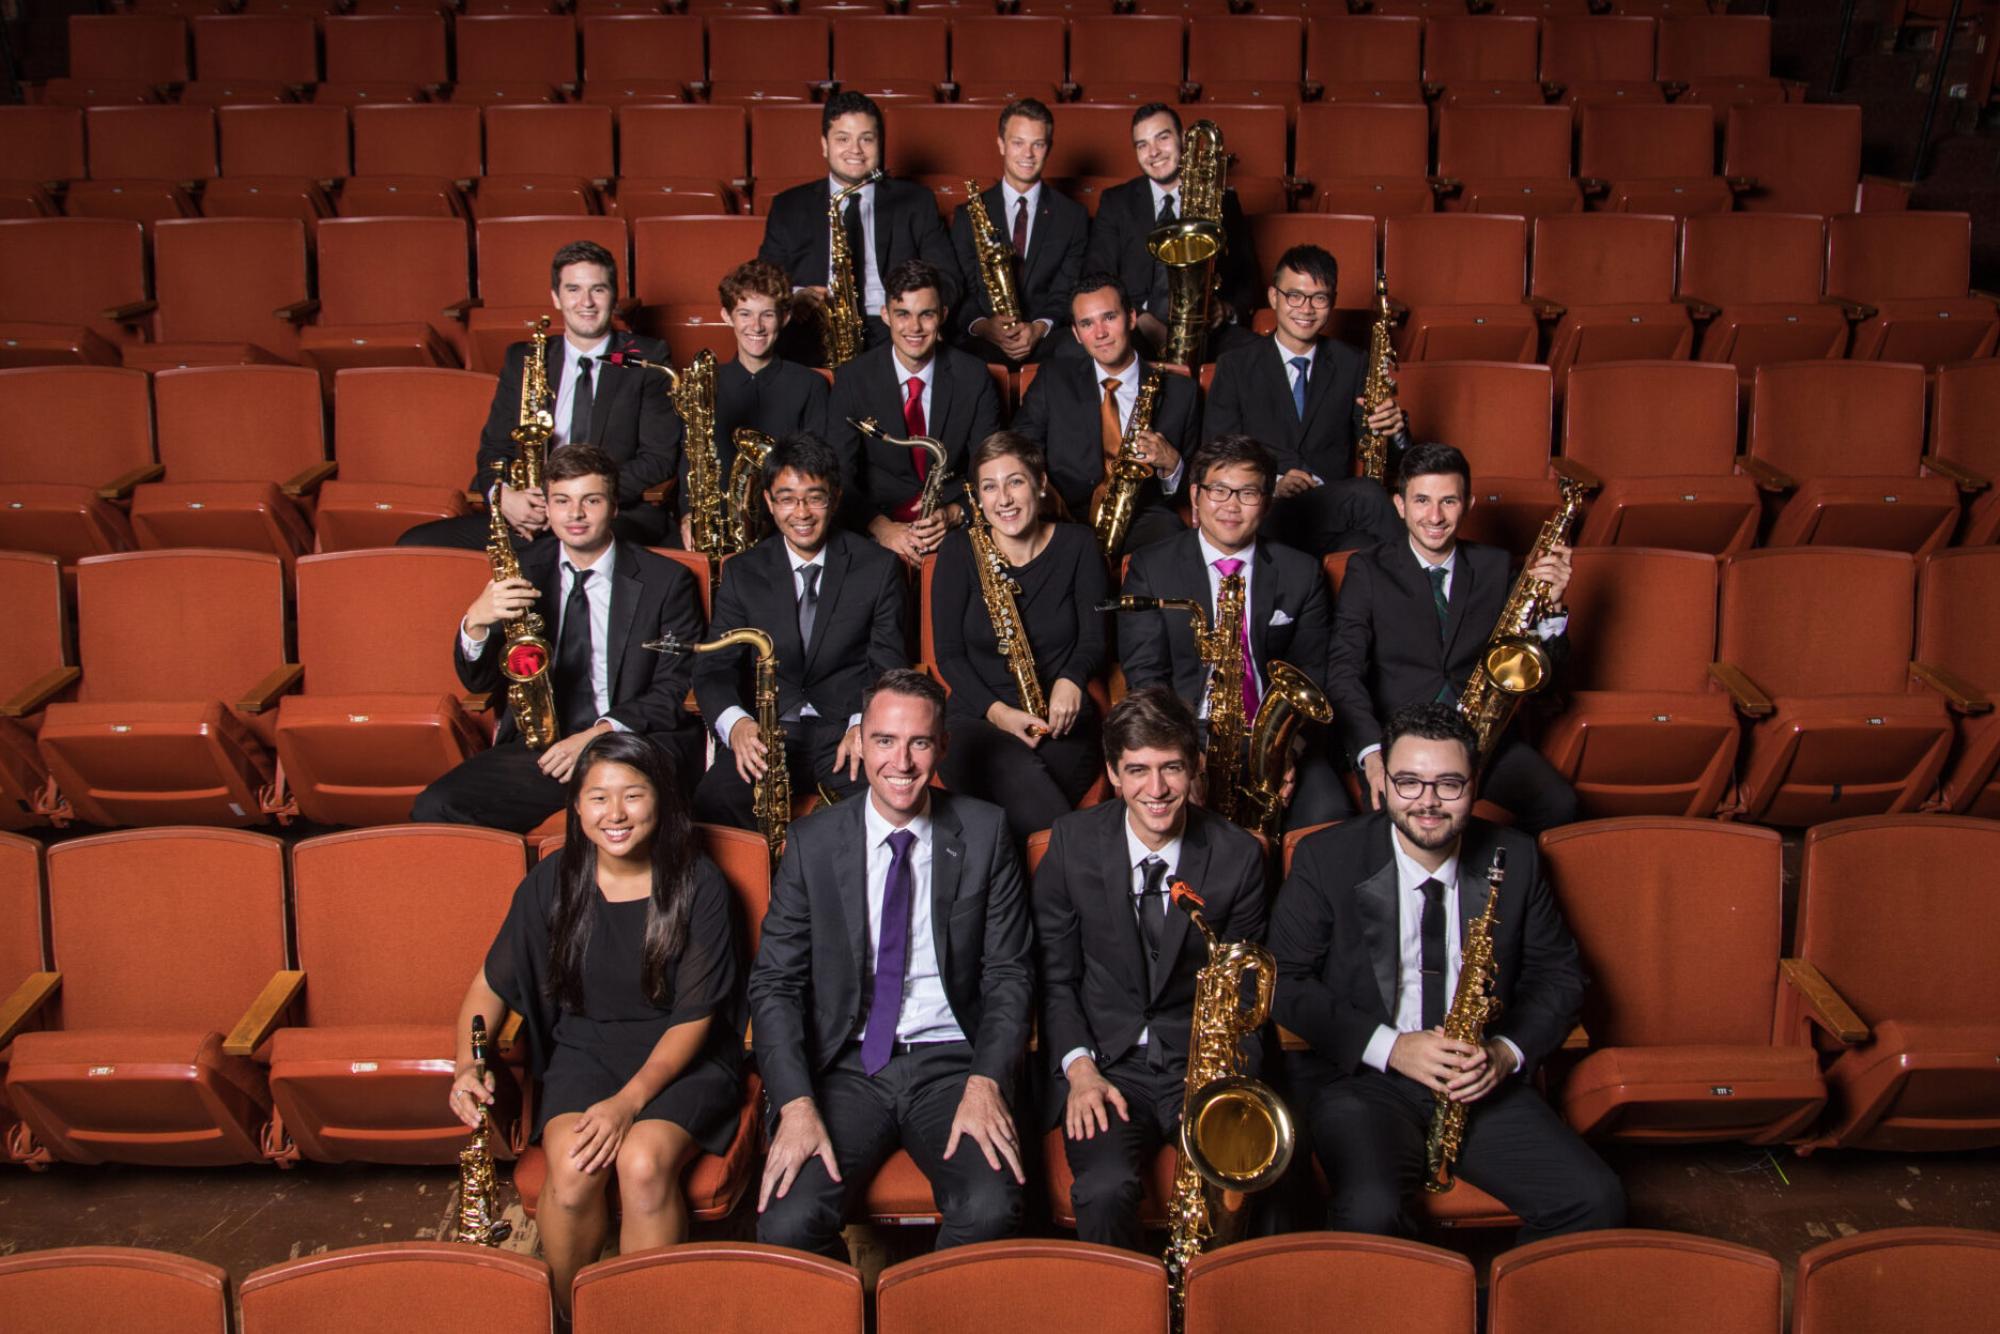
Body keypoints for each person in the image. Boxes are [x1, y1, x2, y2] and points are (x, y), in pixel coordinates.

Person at [1267, 703, 1623, 1242]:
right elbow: (1285, 981)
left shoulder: (1517, 857)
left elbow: (1560, 977)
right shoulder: (1327, 857)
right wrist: (1393, 1047)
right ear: (1383, 781)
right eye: (1409, 782)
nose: (1428, 802)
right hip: (1366, 1082)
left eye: (1448, 784)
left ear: (1474, 785)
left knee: (1596, 1201)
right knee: (1369, 1212)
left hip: (1476, 1077)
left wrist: (1504, 1054)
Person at [449, 731, 744, 1320]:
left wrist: (627, 1104)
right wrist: (468, 1062)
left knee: (641, 1162)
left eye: (633, 795)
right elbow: (488, 987)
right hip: (587, 1049)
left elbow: (696, 1018)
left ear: (661, 800)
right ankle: (570, 1317)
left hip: (682, 1055)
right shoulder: (553, 880)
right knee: (574, 1167)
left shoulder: (700, 884)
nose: (615, 814)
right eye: (598, 798)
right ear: (577, 806)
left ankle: (642, 1319)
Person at [749, 669, 1032, 1261]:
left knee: (991, 1207)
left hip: (954, 1062)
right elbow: (775, 984)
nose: (900, 762)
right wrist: (796, 1105)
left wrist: (987, 1082)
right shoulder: (812, 843)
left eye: (919, 743)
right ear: (860, 742)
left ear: (942, 747)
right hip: (848, 1064)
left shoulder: (986, 832)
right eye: (884, 741)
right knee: (787, 1221)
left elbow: (1008, 973)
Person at [1031, 687, 1267, 1252]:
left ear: (1196, 768)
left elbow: (1246, 992)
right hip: (1106, 1066)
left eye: (1171, 769)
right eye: (1137, 770)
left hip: (1202, 1064)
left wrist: (1227, 1082)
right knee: (1106, 1189)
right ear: (1113, 772)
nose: (1156, 790)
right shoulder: (1072, 842)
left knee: (1251, 1191)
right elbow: (1055, 977)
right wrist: (1079, 1071)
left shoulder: (1237, 855)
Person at [412, 445, 706, 832]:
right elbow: (480, 682)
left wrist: (596, 735)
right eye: (562, 501)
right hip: (544, 746)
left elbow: (673, 689)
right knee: (436, 806)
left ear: (614, 507)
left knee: (618, 816)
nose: (576, 514)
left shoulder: (666, 581)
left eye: (591, 500)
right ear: (547, 508)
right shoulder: (523, 570)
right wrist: (476, 624)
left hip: (632, 741)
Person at [1326, 441, 1580, 834]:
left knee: (1560, 805)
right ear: (1400, 505)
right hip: (1400, 741)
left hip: (1482, 738)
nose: (1434, 516)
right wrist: (1372, 753)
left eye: (1449, 501)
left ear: (1469, 504)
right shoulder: (1368, 570)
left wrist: (1553, 610)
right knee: (1386, 829)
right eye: (1422, 500)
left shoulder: (1495, 566)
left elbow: (1545, 676)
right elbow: (1343, 672)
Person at [1116, 433, 1352, 830]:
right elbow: (1145, 676)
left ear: (1267, 501)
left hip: (1274, 734)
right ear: (1195, 496)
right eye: (1219, 490)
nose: (1231, 505)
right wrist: (1181, 756)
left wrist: (1287, 748)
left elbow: (1315, 671)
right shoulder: (1150, 567)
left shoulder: (1300, 571)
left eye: (1247, 493)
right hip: (1190, 731)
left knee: (1330, 817)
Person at [401, 239, 680, 551]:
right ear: (556, 298)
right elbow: (494, 449)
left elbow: (658, 459)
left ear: (613, 296)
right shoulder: (523, 359)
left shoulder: (646, 357)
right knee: (416, 543)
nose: (586, 302)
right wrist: (504, 496)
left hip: (611, 513)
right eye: (573, 289)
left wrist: (574, 499)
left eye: (598, 289)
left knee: (554, 557)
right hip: (529, 512)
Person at [692, 432, 909, 831]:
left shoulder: (878, 567)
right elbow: (713, 668)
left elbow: (888, 664)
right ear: (770, 503)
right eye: (788, 498)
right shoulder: (741, 571)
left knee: (890, 808)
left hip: (846, 731)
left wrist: (865, 722)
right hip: (766, 735)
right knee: (711, 804)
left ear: (836, 498)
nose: (802, 512)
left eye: (815, 497)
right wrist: (736, 724)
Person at [932, 432, 1109, 844]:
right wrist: (1000, 715)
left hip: (1059, 721)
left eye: (1015, 481)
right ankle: (1082, 875)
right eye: (989, 487)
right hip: (977, 718)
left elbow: (1093, 641)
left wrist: (1071, 678)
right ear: (977, 496)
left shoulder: (1079, 544)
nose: (1004, 499)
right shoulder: (959, 551)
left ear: (1041, 483)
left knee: (1008, 805)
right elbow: (949, 656)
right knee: (1014, 775)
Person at [1202, 244, 1408, 556]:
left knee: (1367, 550)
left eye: (1319, 298)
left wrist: (1395, 432)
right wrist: (1274, 483)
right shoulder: (1235, 365)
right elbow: (1216, 454)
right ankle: (1427, 586)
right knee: (1367, 497)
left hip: (1332, 510)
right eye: (1294, 296)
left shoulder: (1352, 363)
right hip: (1265, 507)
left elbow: (1380, 454)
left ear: (1332, 302)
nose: (1306, 308)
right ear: (1274, 297)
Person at [826, 259, 1004, 565]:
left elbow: (990, 465)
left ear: (943, 315)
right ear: (886, 316)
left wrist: (954, 513)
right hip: (876, 522)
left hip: (951, 522)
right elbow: (839, 473)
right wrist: (881, 528)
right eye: (903, 314)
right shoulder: (852, 379)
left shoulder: (974, 376)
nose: (915, 328)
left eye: (926, 314)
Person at [757, 91, 959, 362]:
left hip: (893, 327)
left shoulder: (916, 201)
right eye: (843, 139)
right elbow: (764, 285)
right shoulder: (789, 206)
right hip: (813, 328)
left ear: (880, 144)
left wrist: (917, 312)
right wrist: (796, 297)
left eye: (866, 139)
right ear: (824, 145)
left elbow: (948, 278)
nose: (855, 150)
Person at [1012, 272, 1197, 555]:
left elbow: (1206, 479)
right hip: (1064, 515)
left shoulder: (1181, 392)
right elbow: (1020, 448)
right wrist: (1045, 496)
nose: (1100, 333)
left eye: (1109, 317)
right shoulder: (1053, 378)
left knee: (1173, 542)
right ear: (1076, 333)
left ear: (1132, 318)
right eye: (1087, 323)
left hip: (1141, 517)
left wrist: (1172, 464)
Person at [1082, 103, 1258, 365]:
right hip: (1135, 330)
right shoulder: (1116, 202)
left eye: (1162, 138)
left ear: (1183, 138)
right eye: (1142, 145)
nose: (1153, 153)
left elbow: (1248, 278)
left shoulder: (1224, 200)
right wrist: (1140, 318)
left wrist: (1226, 310)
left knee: (1261, 355)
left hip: (1206, 331)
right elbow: (1096, 274)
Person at [675, 258, 831, 550]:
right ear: (726, 315)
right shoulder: (705, 384)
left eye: (767, 315)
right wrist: (688, 516)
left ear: (784, 317)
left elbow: (818, 467)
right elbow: (689, 461)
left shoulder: (810, 385)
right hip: (717, 526)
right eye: (745, 314)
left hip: (787, 525)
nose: (756, 327)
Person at [950, 98, 1089, 367]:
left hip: (1046, 339)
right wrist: (984, 327)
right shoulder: (968, 213)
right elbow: (960, 287)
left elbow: (1067, 289)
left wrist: (1038, 328)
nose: (1028, 154)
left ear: (1048, 148)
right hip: (985, 338)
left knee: (1079, 352)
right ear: (1001, 144)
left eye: (1037, 144)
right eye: (1018, 143)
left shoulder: (1072, 217)